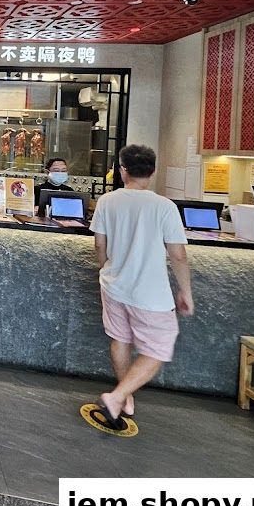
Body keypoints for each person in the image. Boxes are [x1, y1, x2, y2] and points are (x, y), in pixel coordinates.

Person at [89, 144, 193, 429]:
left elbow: (100, 244)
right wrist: (185, 291)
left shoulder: (108, 201)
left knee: (120, 339)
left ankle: (125, 397)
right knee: (158, 349)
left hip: (113, 286)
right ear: (153, 171)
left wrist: (106, 268)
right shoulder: (164, 206)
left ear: (123, 170)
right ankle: (119, 395)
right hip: (150, 293)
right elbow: (178, 254)